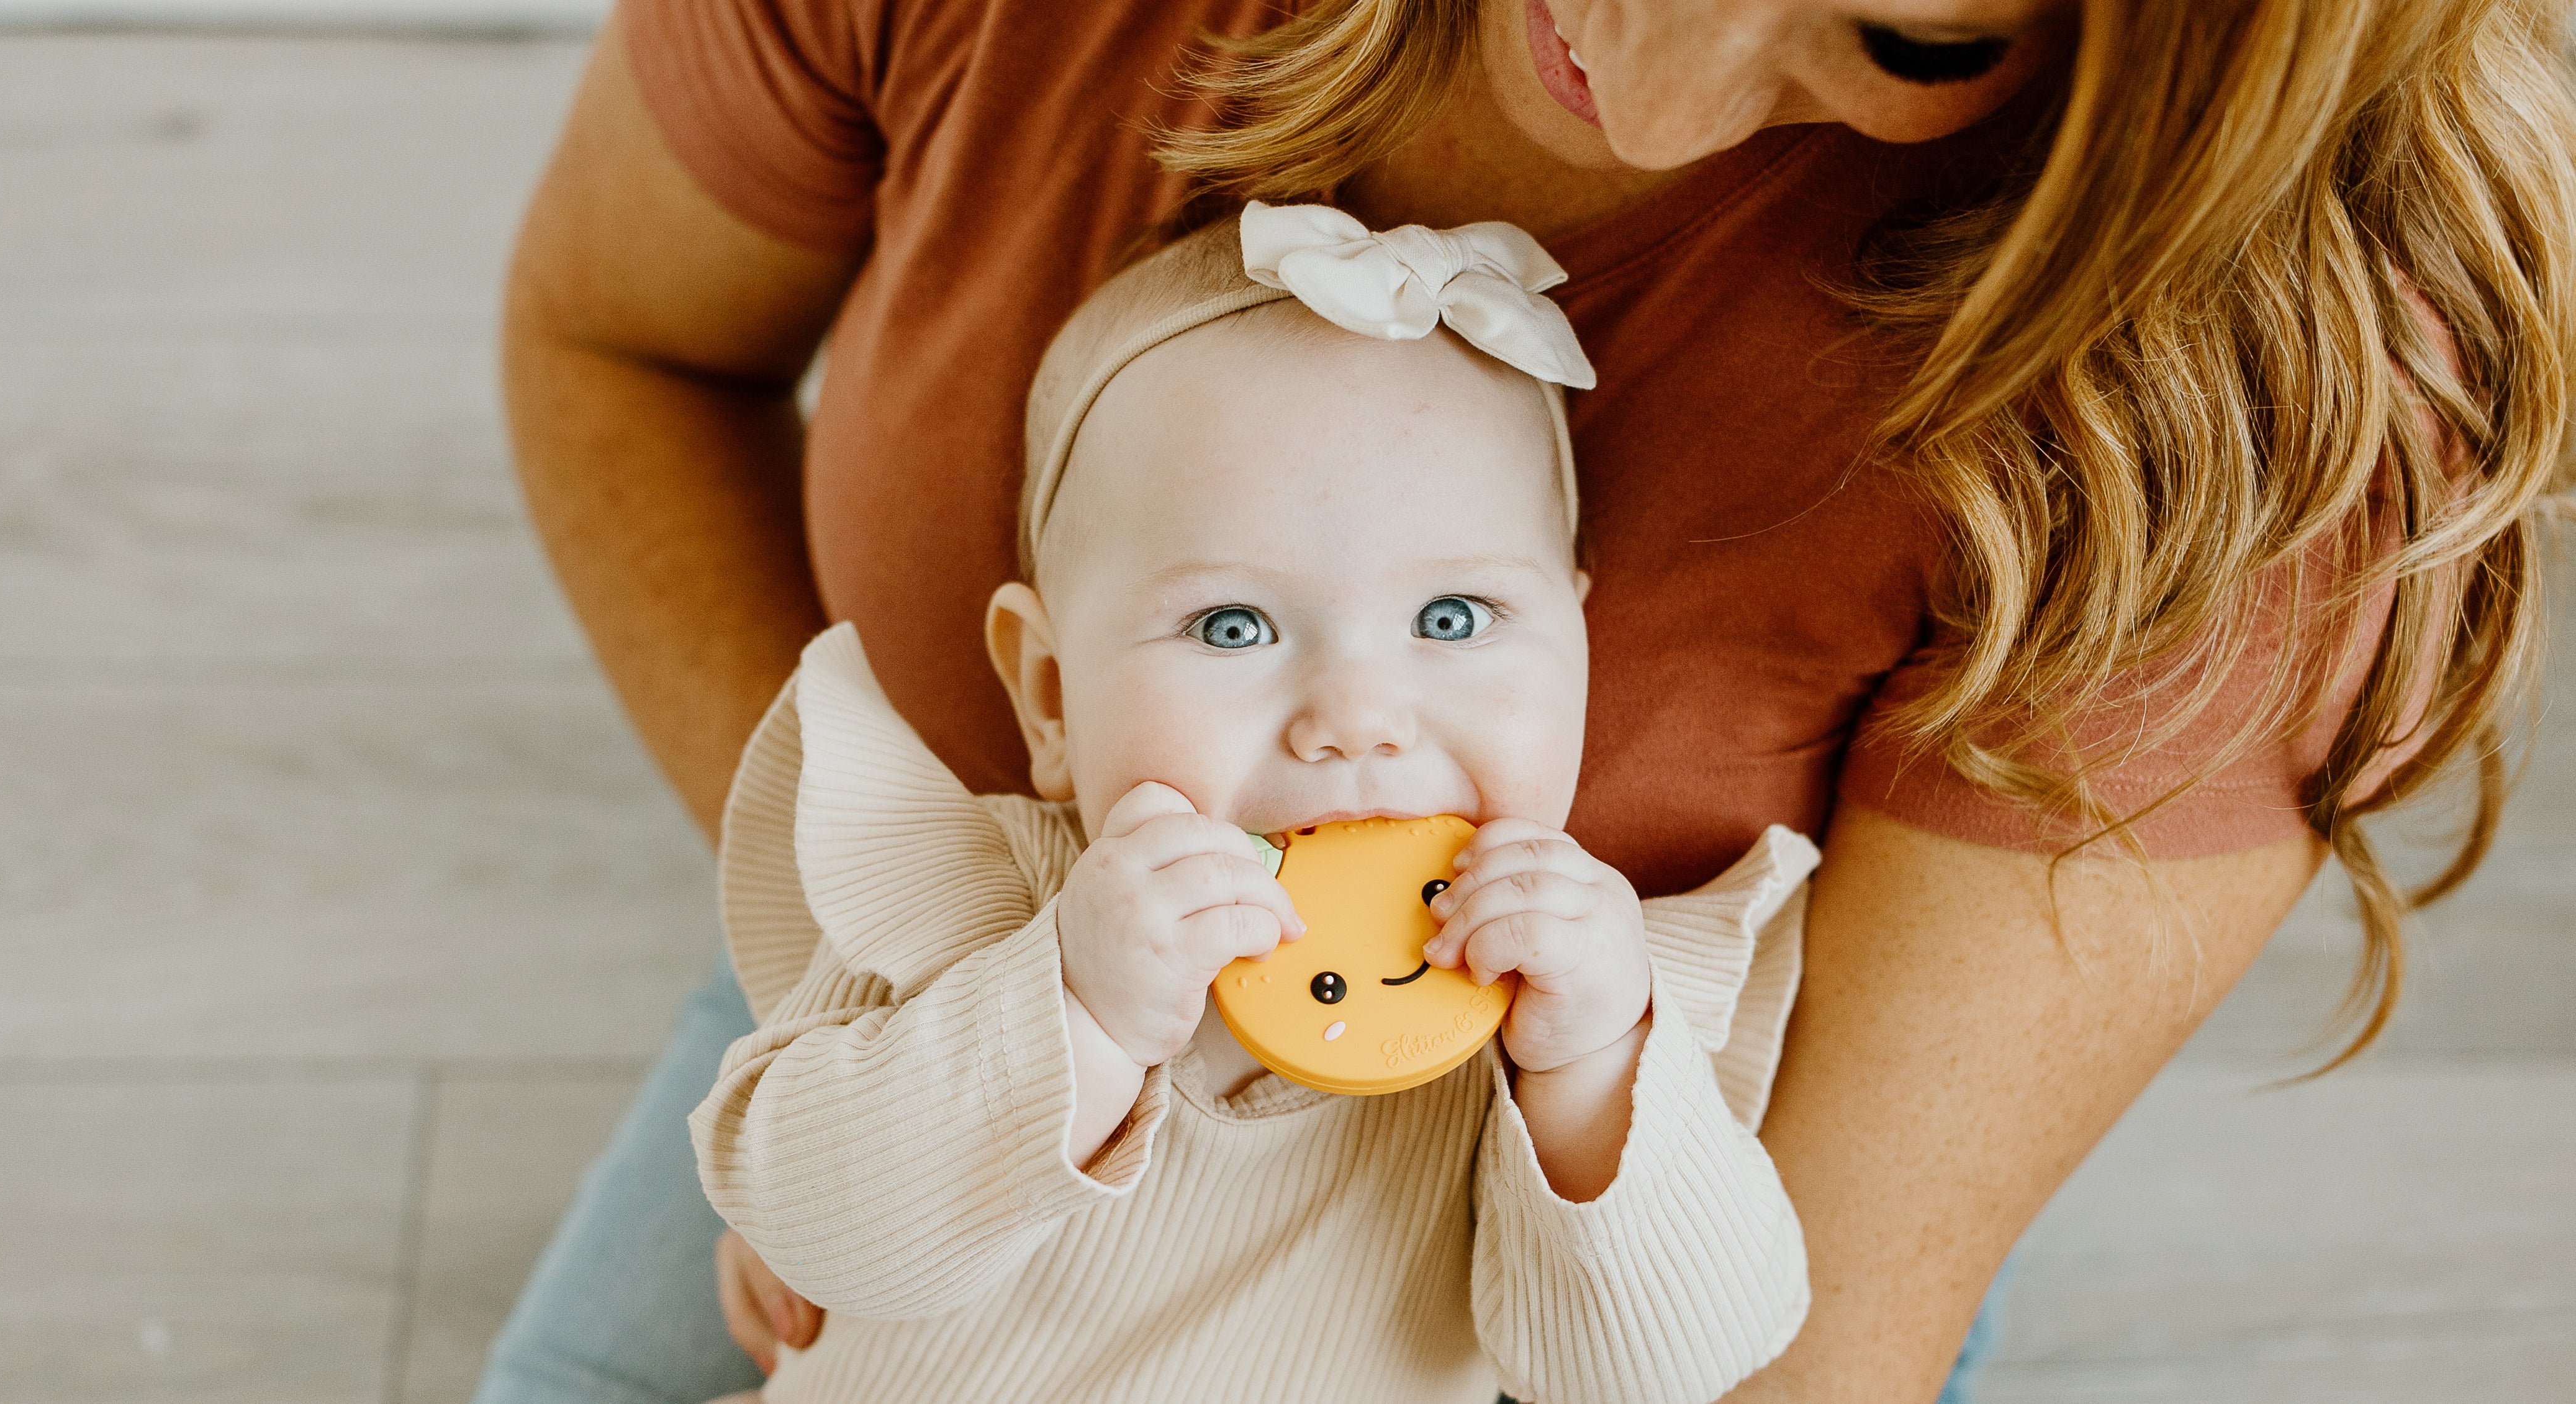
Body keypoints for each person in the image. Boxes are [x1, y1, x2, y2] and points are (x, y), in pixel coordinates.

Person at [484, 1, 2575, 1401]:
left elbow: (1739, 1350)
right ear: (1036, 686)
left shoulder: (1665, 982)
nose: (1659, 92)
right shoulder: (948, 900)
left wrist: (1605, 1107)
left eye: (1913, 30)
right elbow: (811, 1191)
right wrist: (966, 1026)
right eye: (1230, 630)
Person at [690, 205, 1814, 1403]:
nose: (1358, 715)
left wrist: (1591, 1073)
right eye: (1235, 626)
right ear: (1052, 694)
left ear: (1578, 643)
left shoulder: (1565, 996)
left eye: (1453, 619)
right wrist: (1076, 1012)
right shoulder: (978, 897)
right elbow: (814, 1229)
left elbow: (1667, 1366)